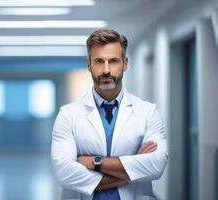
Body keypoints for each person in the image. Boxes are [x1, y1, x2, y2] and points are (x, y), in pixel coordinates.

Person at [51, 28, 168, 200]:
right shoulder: (68, 115)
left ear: (125, 63)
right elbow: (63, 172)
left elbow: (157, 165)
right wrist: (133, 167)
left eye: (113, 61)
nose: (106, 70)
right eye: (99, 61)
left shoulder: (148, 112)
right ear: (89, 65)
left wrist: (94, 162)